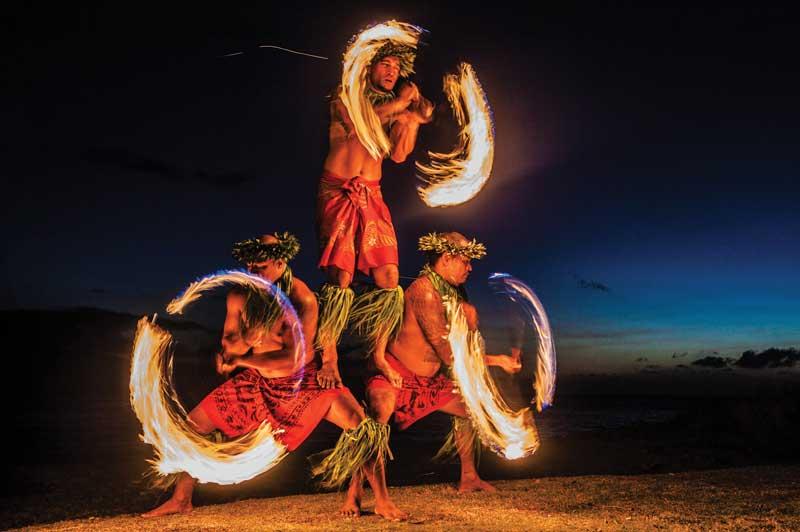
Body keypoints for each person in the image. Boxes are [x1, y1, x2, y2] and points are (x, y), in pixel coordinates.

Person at [143, 233, 405, 520]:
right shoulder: (240, 295)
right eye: (250, 268)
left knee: (363, 428)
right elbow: (229, 341)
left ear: (281, 262)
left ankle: (381, 500)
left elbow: (294, 360)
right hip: (258, 381)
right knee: (193, 425)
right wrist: (240, 345)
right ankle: (181, 498)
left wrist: (243, 358)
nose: (254, 274)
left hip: (304, 383)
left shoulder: (301, 299)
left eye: (261, 267)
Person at [341, 232, 521, 511]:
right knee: (376, 422)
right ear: (446, 258)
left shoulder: (459, 299)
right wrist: (497, 361)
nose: (470, 267)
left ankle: (469, 477)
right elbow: (448, 352)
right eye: (465, 261)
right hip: (395, 375)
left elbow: (466, 345)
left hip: (429, 381)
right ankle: (361, 495)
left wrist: (473, 326)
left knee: (468, 409)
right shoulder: (424, 291)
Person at [316, 39, 434, 390]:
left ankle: (378, 354)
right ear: (368, 66)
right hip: (339, 191)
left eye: (397, 68)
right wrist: (403, 104)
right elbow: (360, 124)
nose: (391, 72)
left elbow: (398, 155)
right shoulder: (347, 96)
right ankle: (330, 358)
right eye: (386, 65)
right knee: (341, 278)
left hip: (374, 196)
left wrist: (414, 120)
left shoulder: (392, 109)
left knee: (389, 278)